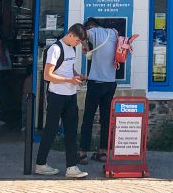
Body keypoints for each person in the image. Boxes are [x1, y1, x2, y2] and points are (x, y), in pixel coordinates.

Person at [35, 23, 89, 178]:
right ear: (70, 35)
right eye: (78, 41)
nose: (78, 44)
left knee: (72, 131)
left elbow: (69, 68)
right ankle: (40, 163)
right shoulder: (55, 49)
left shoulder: (71, 48)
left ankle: (72, 166)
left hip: (70, 95)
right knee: (51, 129)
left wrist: (77, 76)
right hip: (56, 95)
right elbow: (47, 75)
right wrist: (68, 80)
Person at [78, 17, 120, 164]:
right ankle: (103, 152)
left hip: (96, 82)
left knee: (88, 117)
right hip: (111, 83)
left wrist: (86, 49)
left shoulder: (93, 32)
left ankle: (82, 153)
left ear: (91, 26)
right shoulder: (114, 33)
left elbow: (80, 32)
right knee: (106, 119)